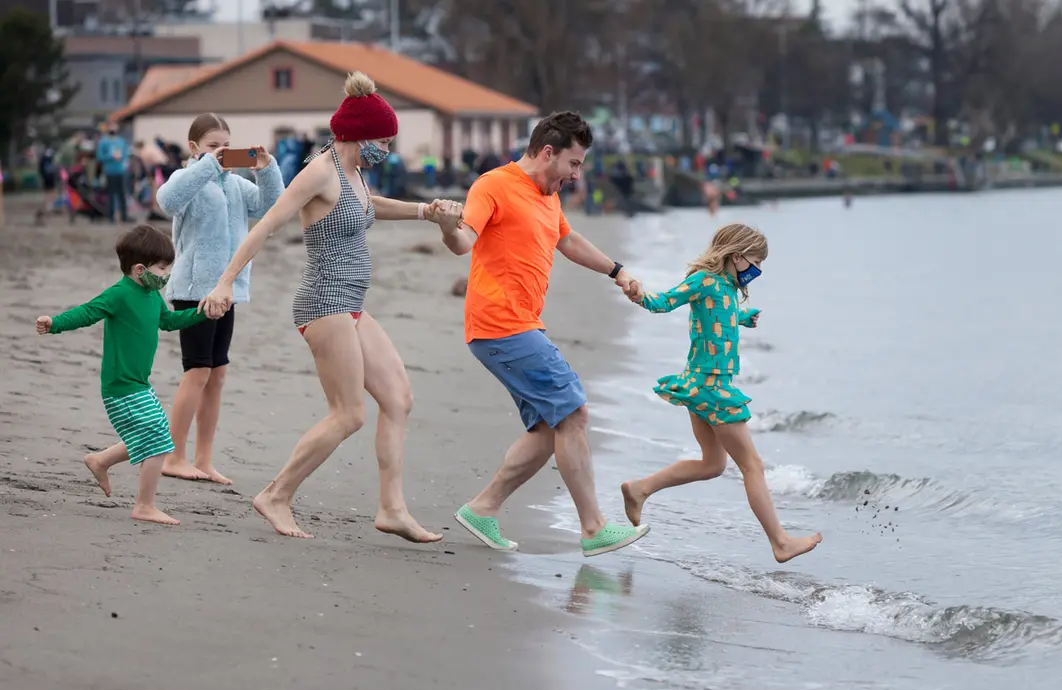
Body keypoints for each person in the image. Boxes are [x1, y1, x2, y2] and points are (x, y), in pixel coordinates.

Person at [199, 71, 446, 542]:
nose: (387, 149)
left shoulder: (352, 173)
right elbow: (267, 224)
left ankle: (392, 509)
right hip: (322, 303)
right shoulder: (320, 170)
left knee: (398, 399)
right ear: (359, 135)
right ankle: (276, 495)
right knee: (349, 413)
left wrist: (423, 212)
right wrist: (225, 283)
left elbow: (369, 207)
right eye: (383, 140)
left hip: (352, 303)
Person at [432, 111, 650, 557]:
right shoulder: (494, 185)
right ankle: (593, 527)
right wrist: (444, 225)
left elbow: (566, 241)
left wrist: (617, 270)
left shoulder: (548, 195)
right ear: (548, 152)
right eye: (574, 163)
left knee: (553, 428)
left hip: (520, 324)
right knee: (574, 413)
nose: (577, 173)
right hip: (500, 324)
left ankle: (483, 509)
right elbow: (462, 242)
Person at [620, 223, 822, 563]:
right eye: (756, 261)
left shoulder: (726, 287)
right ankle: (781, 542)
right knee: (753, 466)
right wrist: (638, 294)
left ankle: (641, 488)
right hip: (712, 386)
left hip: (700, 384)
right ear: (738, 255)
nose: (757, 270)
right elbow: (663, 302)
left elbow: (718, 314)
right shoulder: (703, 280)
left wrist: (742, 317)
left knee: (713, 464)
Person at [35, 225, 207, 525]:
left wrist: (203, 313)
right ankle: (144, 505)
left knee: (152, 436)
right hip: (121, 386)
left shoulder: (151, 296)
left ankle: (100, 460)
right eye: (163, 269)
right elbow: (87, 312)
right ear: (140, 269)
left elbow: (167, 322)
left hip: (139, 383)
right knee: (160, 440)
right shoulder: (120, 294)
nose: (167, 275)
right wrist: (55, 323)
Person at [156, 113, 285, 485]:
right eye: (214, 146)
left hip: (228, 292)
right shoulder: (188, 178)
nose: (222, 152)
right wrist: (207, 165)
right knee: (196, 371)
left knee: (217, 374)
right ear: (194, 147)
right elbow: (168, 200)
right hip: (194, 290)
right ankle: (174, 456)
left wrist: (266, 168)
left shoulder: (236, 185)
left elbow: (270, 210)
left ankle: (204, 458)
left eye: (226, 146)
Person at [96, 123, 131, 223]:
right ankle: (111, 217)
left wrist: (122, 160)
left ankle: (124, 216)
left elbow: (125, 155)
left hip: (121, 171)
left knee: (122, 195)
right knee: (110, 195)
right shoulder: (103, 142)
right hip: (109, 171)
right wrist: (111, 156)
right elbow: (100, 157)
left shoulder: (121, 141)